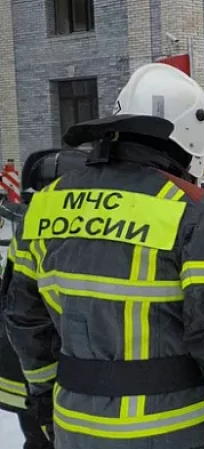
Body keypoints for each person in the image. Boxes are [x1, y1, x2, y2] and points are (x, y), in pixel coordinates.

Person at [4, 63, 204, 449]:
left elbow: (24, 318)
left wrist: (42, 396)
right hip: (177, 431)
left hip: (75, 428)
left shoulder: (46, 203)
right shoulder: (188, 207)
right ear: (189, 132)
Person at [0, 149, 81, 449]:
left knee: (36, 438)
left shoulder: (30, 223)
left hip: (17, 369)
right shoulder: (56, 233)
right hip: (35, 374)